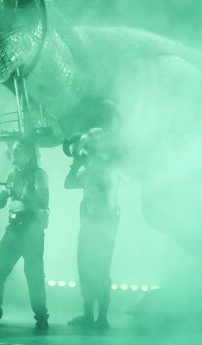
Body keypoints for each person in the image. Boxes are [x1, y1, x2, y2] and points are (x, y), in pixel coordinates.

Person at [0, 137, 50, 330]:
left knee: (34, 276)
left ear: (28, 155)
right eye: (12, 150)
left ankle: (41, 316)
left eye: (17, 151)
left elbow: (42, 202)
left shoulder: (39, 175)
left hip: (32, 232)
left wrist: (24, 204)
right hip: (14, 230)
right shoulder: (11, 175)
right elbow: (0, 203)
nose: (12, 154)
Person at [64, 130, 120, 330]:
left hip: (103, 230)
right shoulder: (90, 170)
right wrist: (77, 164)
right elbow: (68, 184)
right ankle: (88, 315)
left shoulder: (109, 169)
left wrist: (87, 156)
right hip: (87, 227)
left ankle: (102, 318)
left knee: (101, 272)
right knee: (85, 271)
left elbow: (105, 180)